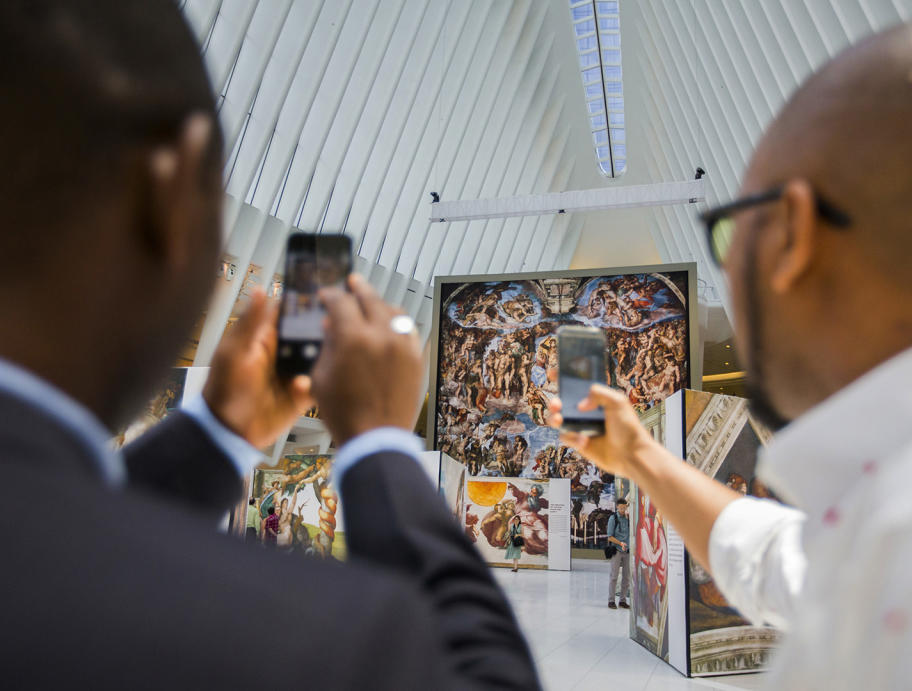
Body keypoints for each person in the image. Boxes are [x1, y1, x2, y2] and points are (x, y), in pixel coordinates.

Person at [0, 2, 539, 688]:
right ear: (168, 198)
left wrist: (219, 436)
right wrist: (379, 444)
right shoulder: (322, 644)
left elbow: (52, 546)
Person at [549, 17, 912, 689]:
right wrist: (642, 456)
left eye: (729, 231)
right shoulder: (894, 530)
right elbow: (779, 562)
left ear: (791, 235)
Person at [606, 498, 630, 610]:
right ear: (617, 507)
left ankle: (623, 600)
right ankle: (611, 600)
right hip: (616, 550)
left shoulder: (628, 518)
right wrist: (620, 543)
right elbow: (610, 536)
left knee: (626, 577)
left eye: (624, 507)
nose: (622, 509)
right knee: (614, 576)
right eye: (620, 507)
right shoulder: (613, 518)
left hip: (627, 551)